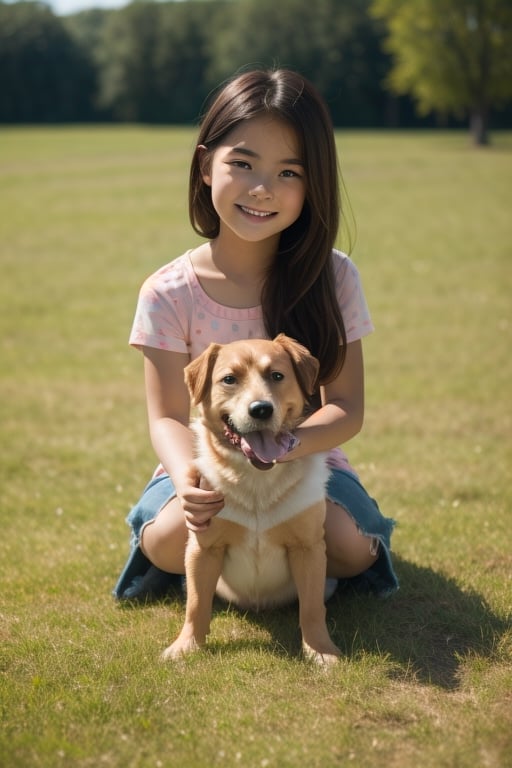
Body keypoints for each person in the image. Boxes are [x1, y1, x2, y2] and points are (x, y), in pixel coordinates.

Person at [114, 68, 398, 603]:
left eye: (289, 173)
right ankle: (228, 555)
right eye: (242, 164)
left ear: (313, 184)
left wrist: (286, 447)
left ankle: (289, 557)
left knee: (351, 547)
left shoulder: (333, 277)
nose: (263, 188)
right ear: (205, 166)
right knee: (167, 542)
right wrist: (186, 477)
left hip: (308, 463)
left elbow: (347, 408)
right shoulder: (168, 291)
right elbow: (169, 416)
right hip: (207, 462)